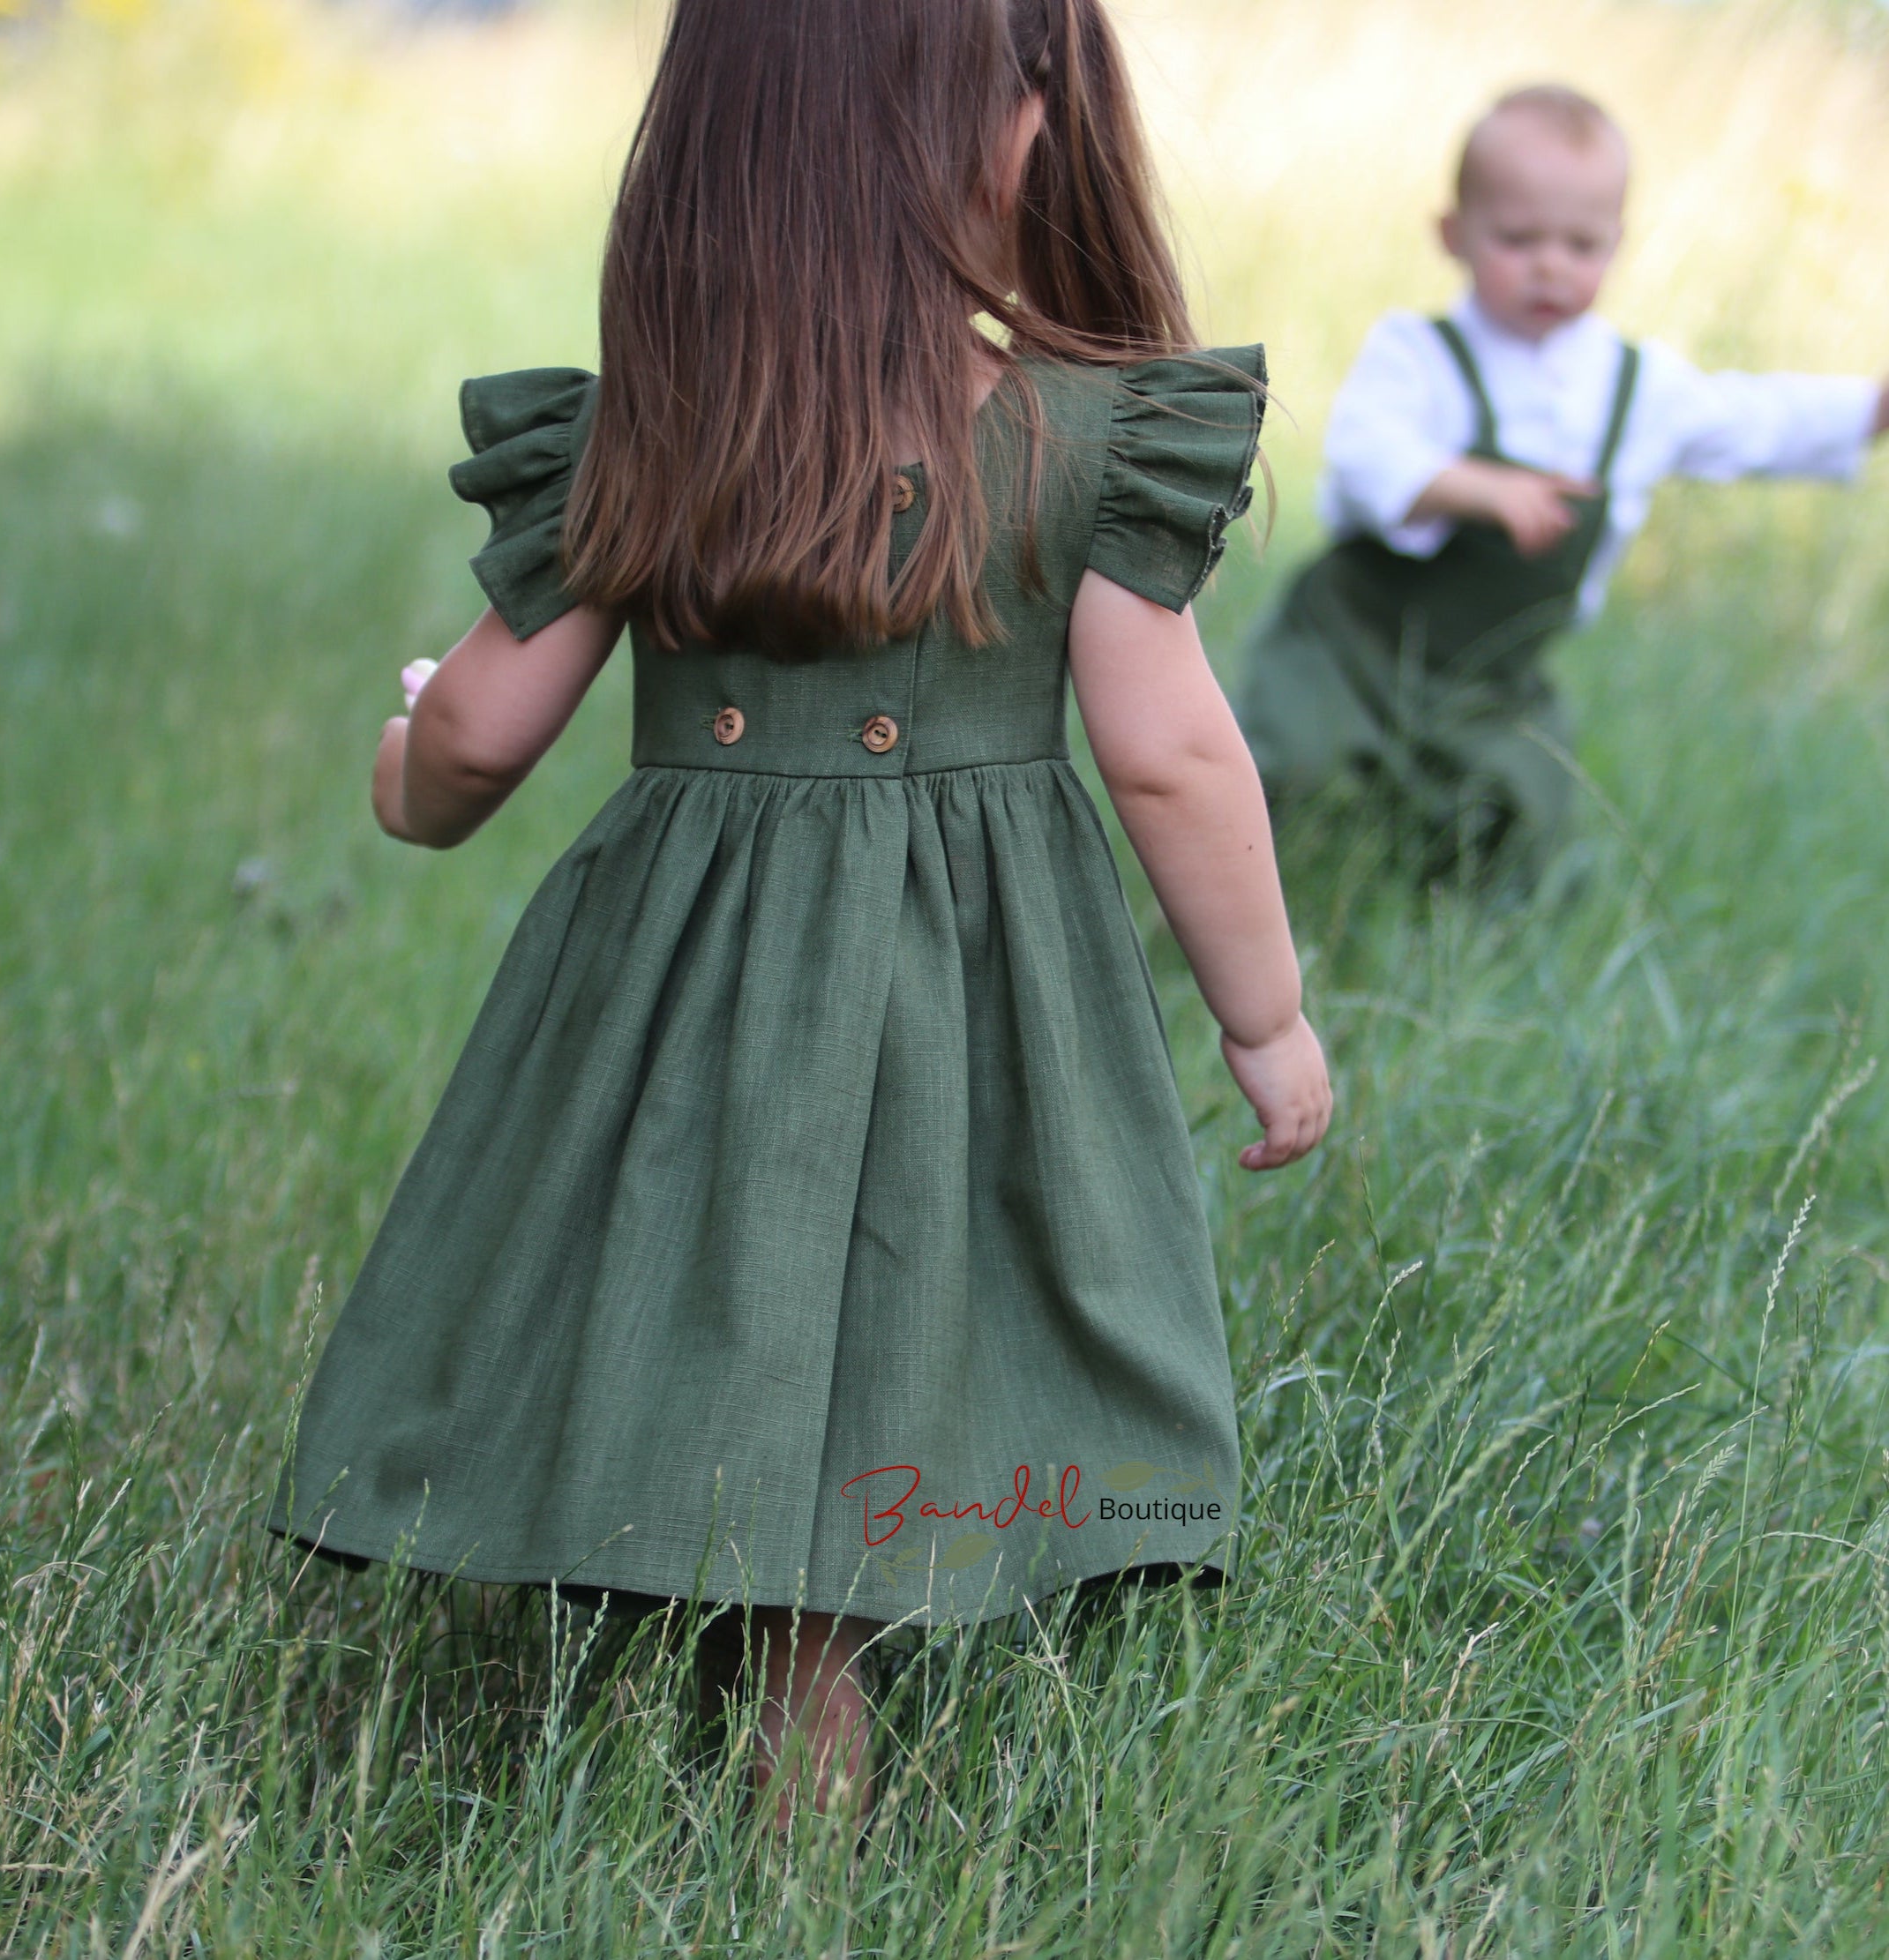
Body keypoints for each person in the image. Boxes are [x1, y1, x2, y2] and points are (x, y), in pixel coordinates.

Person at [269, 0, 1331, 1835]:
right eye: (1028, 80)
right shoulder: (1086, 436)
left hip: (685, 982)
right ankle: (819, 1706)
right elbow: (1169, 756)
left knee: (716, 1273)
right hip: (970, 979)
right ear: (993, 128)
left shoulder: (653, 439)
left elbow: (472, 741)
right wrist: (1266, 1016)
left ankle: (726, 1616)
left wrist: (400, 750)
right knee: (925, 1278)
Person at [1233, 83, 1889, 886]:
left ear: (1618, 246)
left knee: (1519, 810)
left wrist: (1868, 411)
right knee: (1293, 758)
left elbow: (1753, 418)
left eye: (1582, 246)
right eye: (1518, 239)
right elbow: (1365, 458)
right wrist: (1473, 489)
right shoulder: (1421, 355)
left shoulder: (1635, 387)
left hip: (1494, 675)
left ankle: (1452, 925)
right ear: (1454, 234)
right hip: (1353, 640)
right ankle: (1249, 890)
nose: (1550, 265)